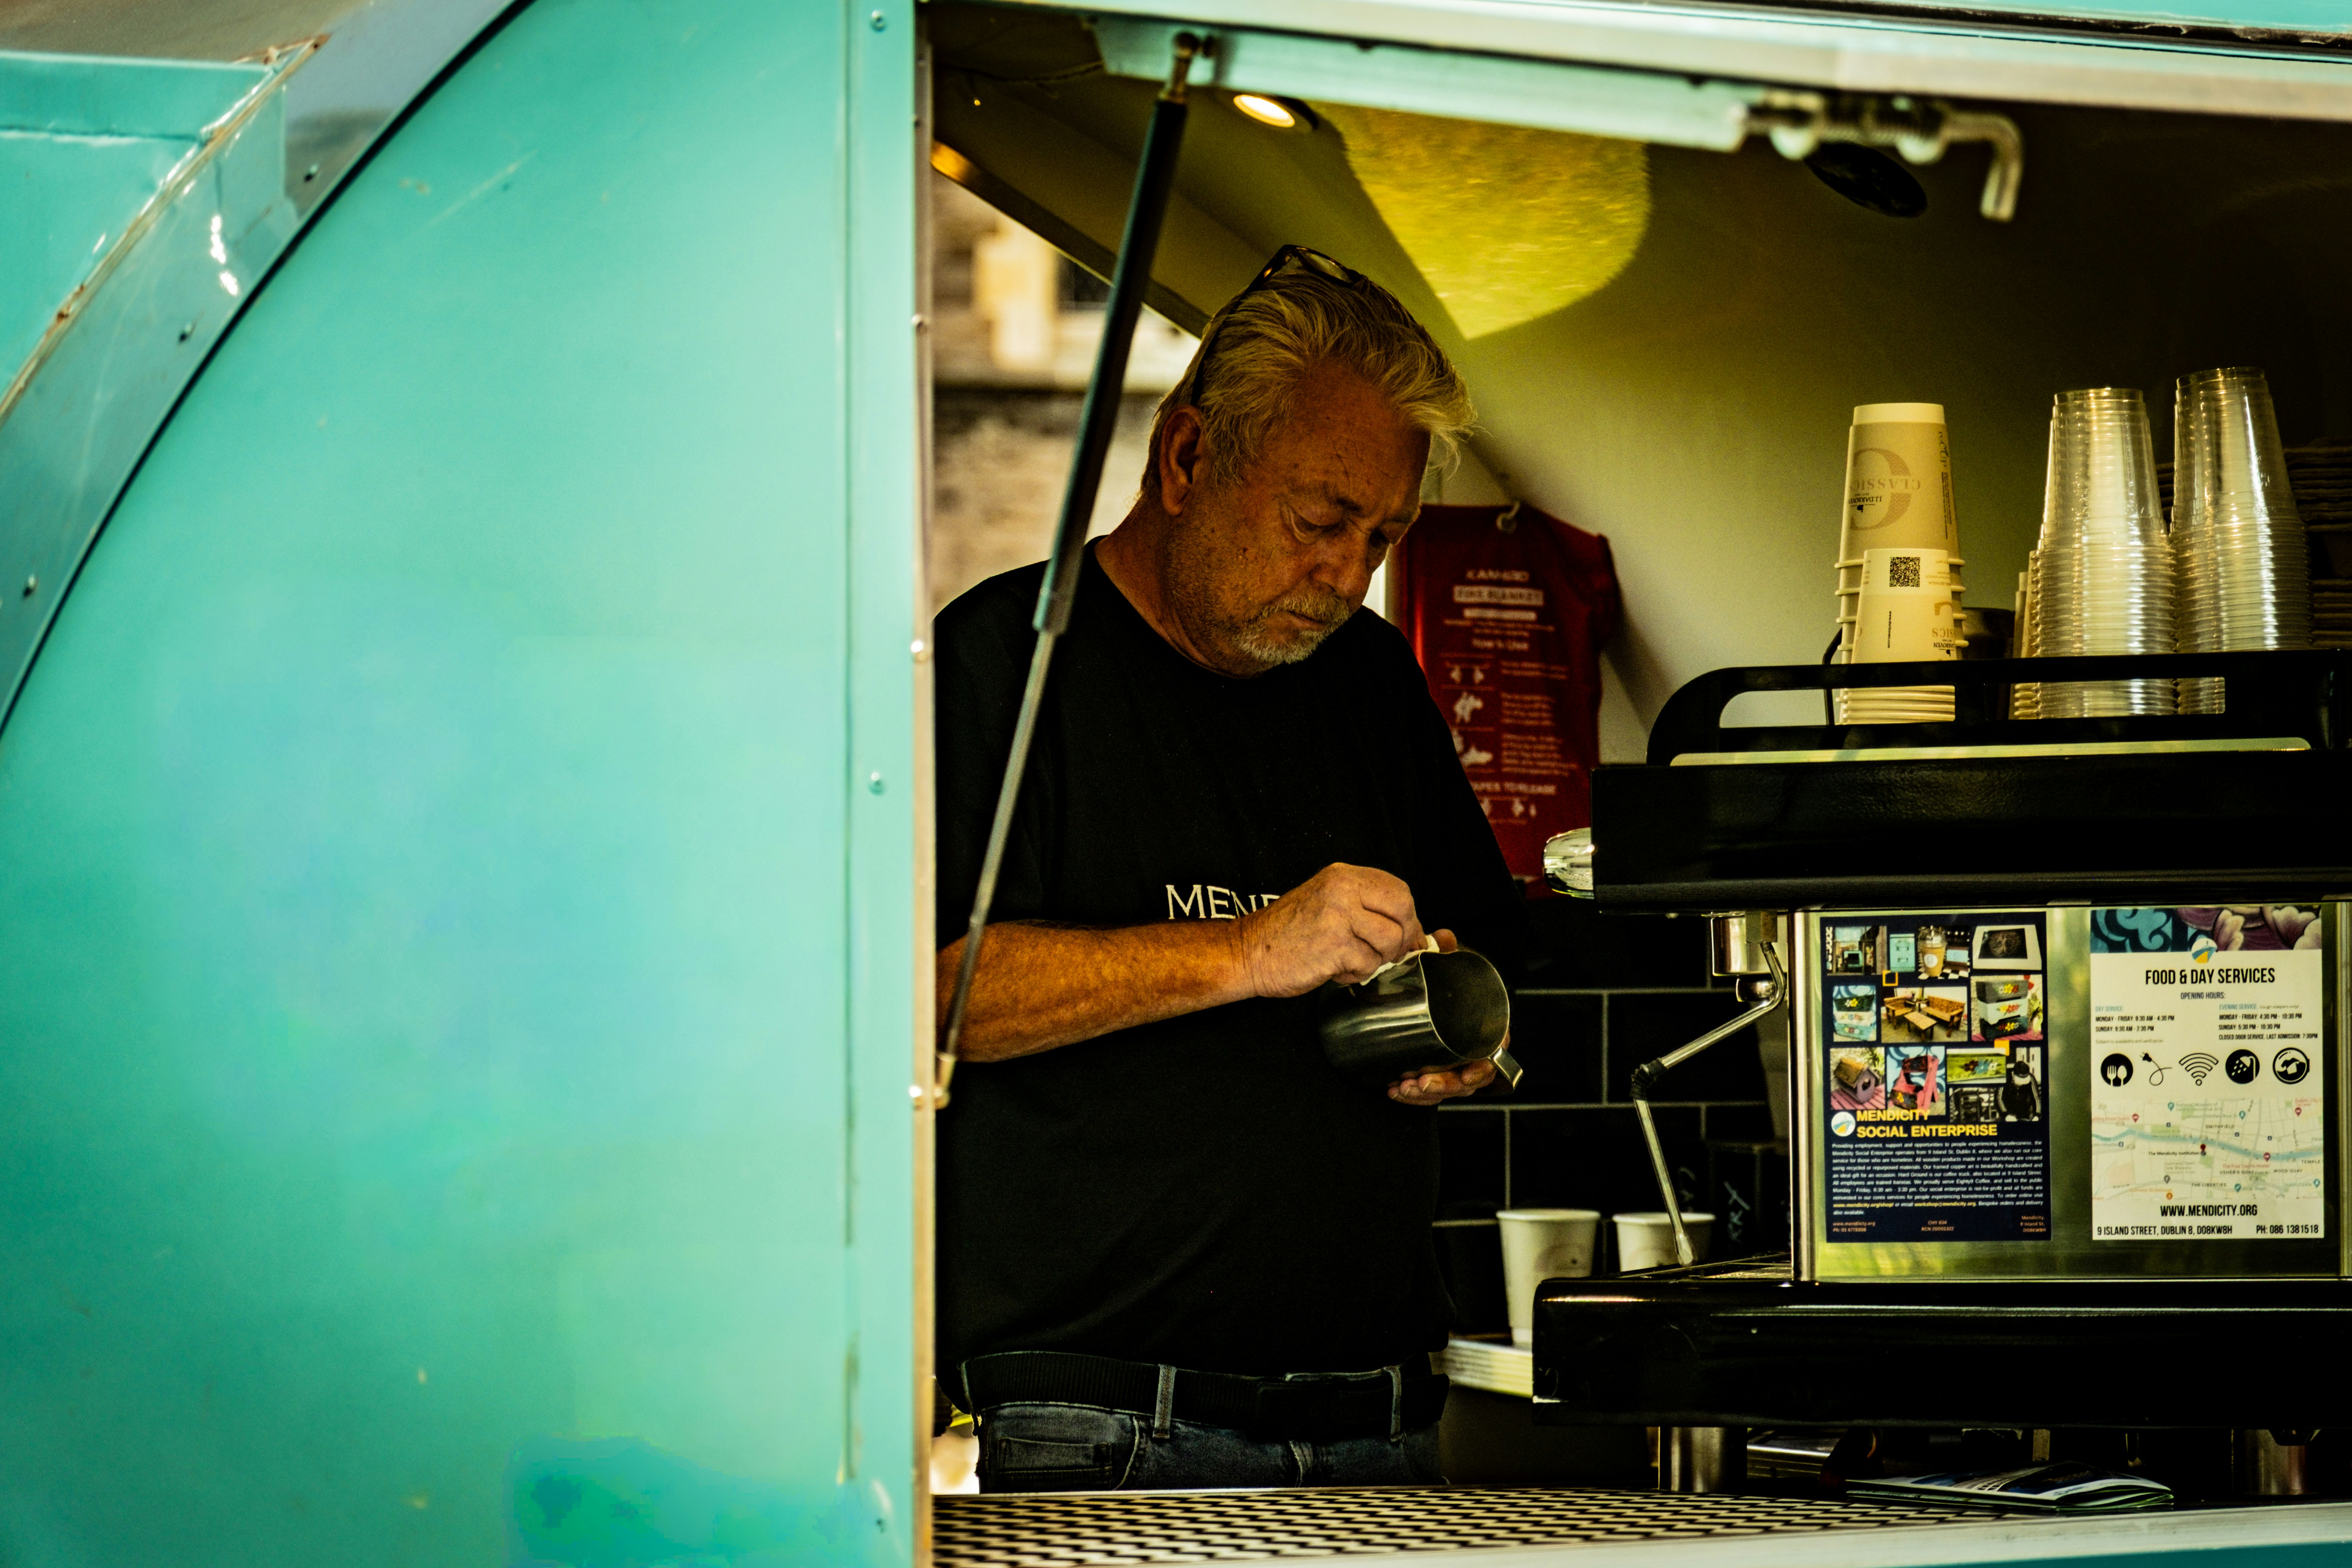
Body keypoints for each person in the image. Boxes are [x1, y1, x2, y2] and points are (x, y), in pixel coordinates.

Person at [933, 247, 1526, 1492]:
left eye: (1384, 533)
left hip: (1386, 1415)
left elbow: (1485, 940)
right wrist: (1252, 951)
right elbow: (932, 996)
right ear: (1188, 457)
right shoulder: (1003, 665)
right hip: (1106, 1421)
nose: (1346, 573)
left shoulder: (1369, 681)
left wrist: (1463, 1031)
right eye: (1320, 521)